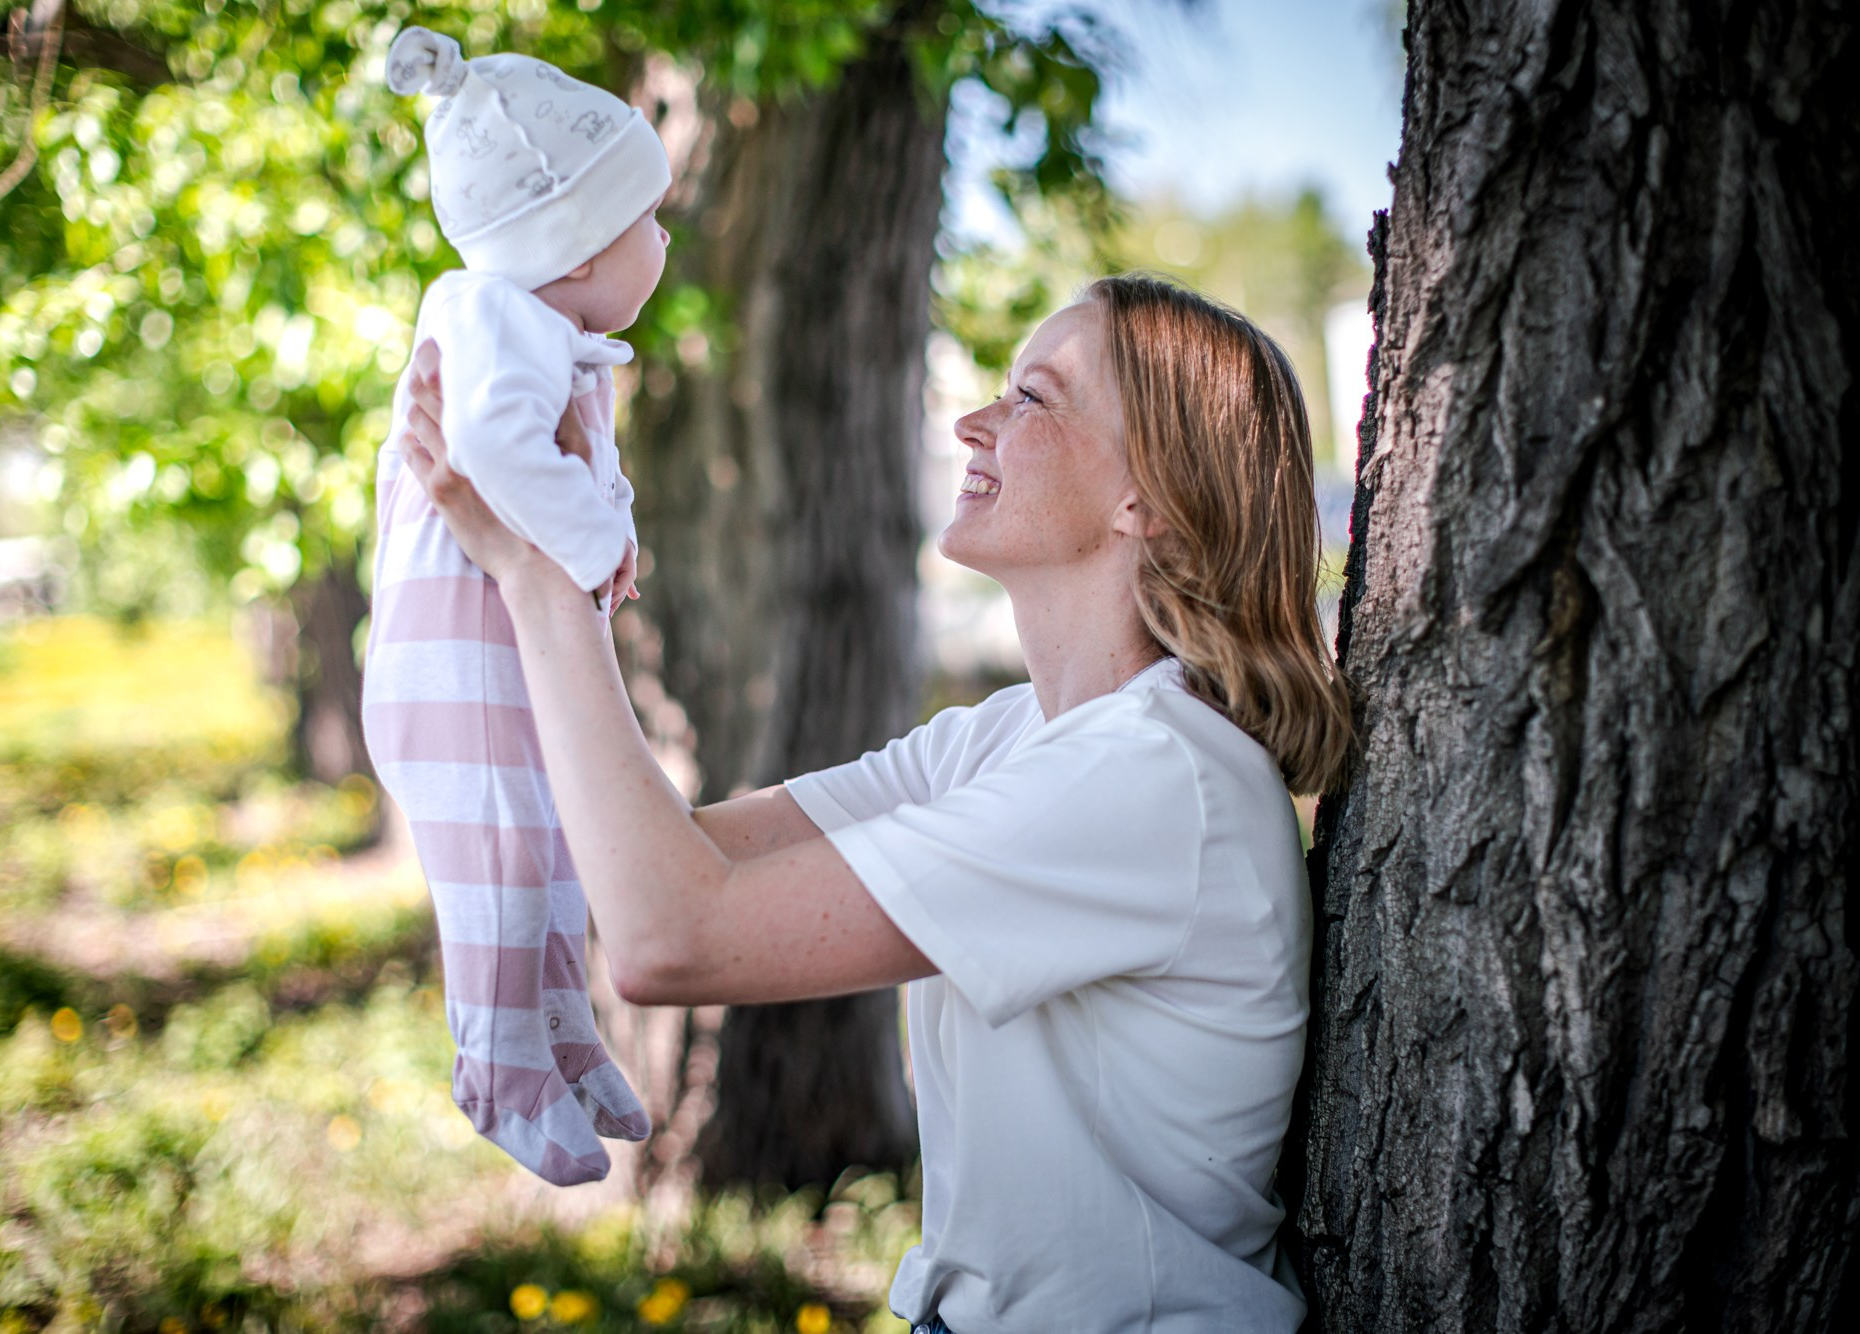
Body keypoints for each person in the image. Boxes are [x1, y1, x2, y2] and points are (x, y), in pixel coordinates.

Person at [394, 272, 1353, 1331]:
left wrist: (538, 576)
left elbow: (670, 937)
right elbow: (647, 857)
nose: (975, 421)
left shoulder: (1155, 778)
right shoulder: (1010, 736)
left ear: (1148, 499)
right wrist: (560, 525)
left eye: (1032, 398)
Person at [359, 26, 672, 1185]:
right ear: (577, 247)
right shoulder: (494, 315)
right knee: (499, 870)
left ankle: (562, 1040)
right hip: (455, 671)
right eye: (649, 219)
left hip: (500, 664)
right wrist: (597, 542)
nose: (665, 239)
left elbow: (560, 462)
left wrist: (606, 525)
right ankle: (496, 1068)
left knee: (550, 856)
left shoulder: (546, 330)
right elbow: (493, 446)